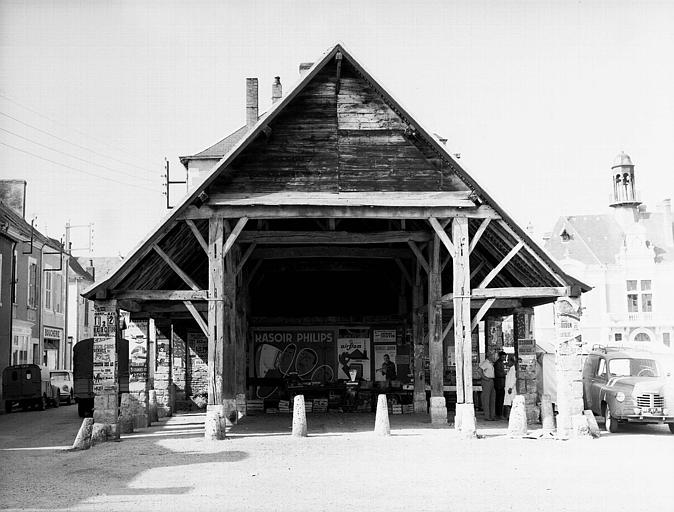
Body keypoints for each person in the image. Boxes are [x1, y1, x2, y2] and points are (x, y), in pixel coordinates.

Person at [479, 352, 497, 420]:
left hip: (491, 380)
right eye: (492, 356)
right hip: (487, 381)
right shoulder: (485, 363)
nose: (493, 357)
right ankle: (487, 416)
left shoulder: (490, 363)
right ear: (489, 356)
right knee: (486, 399)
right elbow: (479, 370)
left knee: (492, 398)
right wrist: (485, 378)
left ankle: (492, 416)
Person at [503, 355, 517, 419]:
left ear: (512, 362)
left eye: (508, 361)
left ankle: (511, 416)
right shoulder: (510, 369)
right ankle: (509, 416)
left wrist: (510, 387)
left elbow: (513, 379)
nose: (507, 363)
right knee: (508, 403)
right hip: (508, 387)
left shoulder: (513, 369)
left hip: (511, 388)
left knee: (511, 403)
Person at [494, 351, 507, 419]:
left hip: (501, 383)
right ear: (500, 356)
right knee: (499, 400)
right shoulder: (498, 363)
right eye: (503, 357)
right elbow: (498, 374)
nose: (504, 358)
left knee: (500, 399)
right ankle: (499, 414)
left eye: (505, 357)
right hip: (499, 384)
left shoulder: (501, 363)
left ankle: (499, 414)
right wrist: (505, 374)